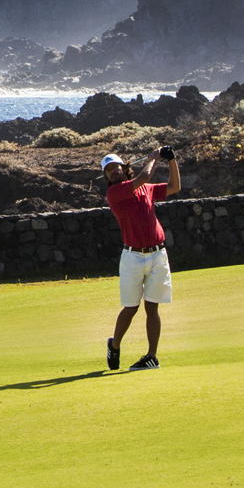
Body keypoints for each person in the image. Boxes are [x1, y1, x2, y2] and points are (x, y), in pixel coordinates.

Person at [101, 148, 180, 371]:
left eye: (115, 166)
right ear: (106, 177)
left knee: (152, 308)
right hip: (132, 257)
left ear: (124, 167)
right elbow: (144, 176)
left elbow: (175, 187)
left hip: (157, 254)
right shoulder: (115, 193)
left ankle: (151, 356)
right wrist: (155, 159)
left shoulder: (146, 189)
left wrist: (171, 159)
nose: (113, 171)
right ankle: (114, 345)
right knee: (130, 307)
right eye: (108, 170)